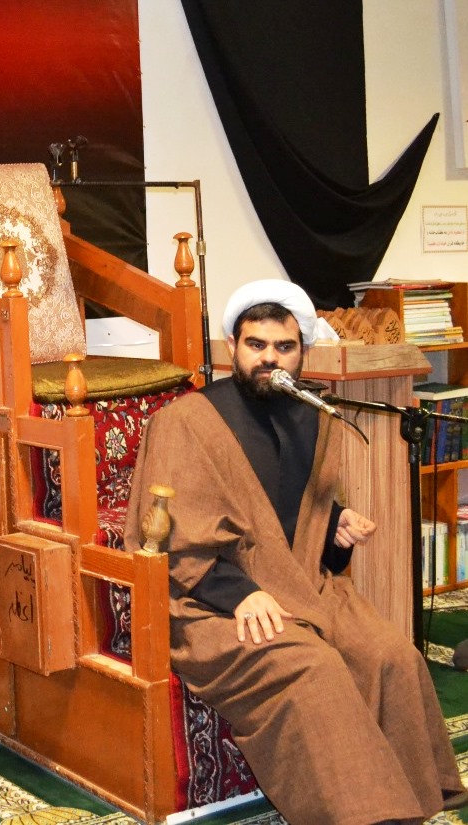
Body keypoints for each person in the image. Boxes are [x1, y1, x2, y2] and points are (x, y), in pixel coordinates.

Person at [124, 279, 467, 825]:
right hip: (210, 602)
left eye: (284, 347)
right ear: (233, 347)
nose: (270, 358)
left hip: (302, 583)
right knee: (313, 668)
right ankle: (367, 815)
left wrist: (335, 527)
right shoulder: (186, 421)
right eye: (256, 345)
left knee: (391, 655)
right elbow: (171, 541)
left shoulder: (316, 416)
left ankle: (419, 793)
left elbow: (298, 517)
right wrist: (240, 594)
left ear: (302, 351)